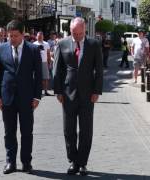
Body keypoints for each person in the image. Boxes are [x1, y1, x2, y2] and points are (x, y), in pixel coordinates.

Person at [53, 17, 103, 176]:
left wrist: (97, 91)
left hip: (88, 94)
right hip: (68, 94)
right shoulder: (62, 44)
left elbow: (99, 70)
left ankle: (82, 162)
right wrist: (58, 91)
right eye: (75, 33)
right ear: (70, 31)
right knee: (69, 129)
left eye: (81, 33)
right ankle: (73, 160)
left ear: (85, 30)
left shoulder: (94, 44)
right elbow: (57, 70)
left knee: (86, 130)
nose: (78, 36)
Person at [0, 20, 42, 174]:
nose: (12, 39)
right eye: (9, 36)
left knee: (27, 132)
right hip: (7, 97)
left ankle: (27, 162)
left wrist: (37, 97)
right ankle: (10, 162)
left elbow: (38, 75)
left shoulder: (33, 50)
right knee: (9, 132)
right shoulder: (0, 49)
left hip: (27, 98)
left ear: (22, 35)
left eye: (15, 36)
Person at [33, 31, 52, 96]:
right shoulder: (34, 44)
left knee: (46, 77)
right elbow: (32, 55)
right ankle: (38, 91)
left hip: (44, 62)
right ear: (36, 37)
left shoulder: (46, 44)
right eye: (38, 36)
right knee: (37, 77)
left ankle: (46, 91)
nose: (40, 37)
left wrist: (49, 63)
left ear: (43, 37)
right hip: (36, 62)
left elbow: (48, 54)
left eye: (41, 36)